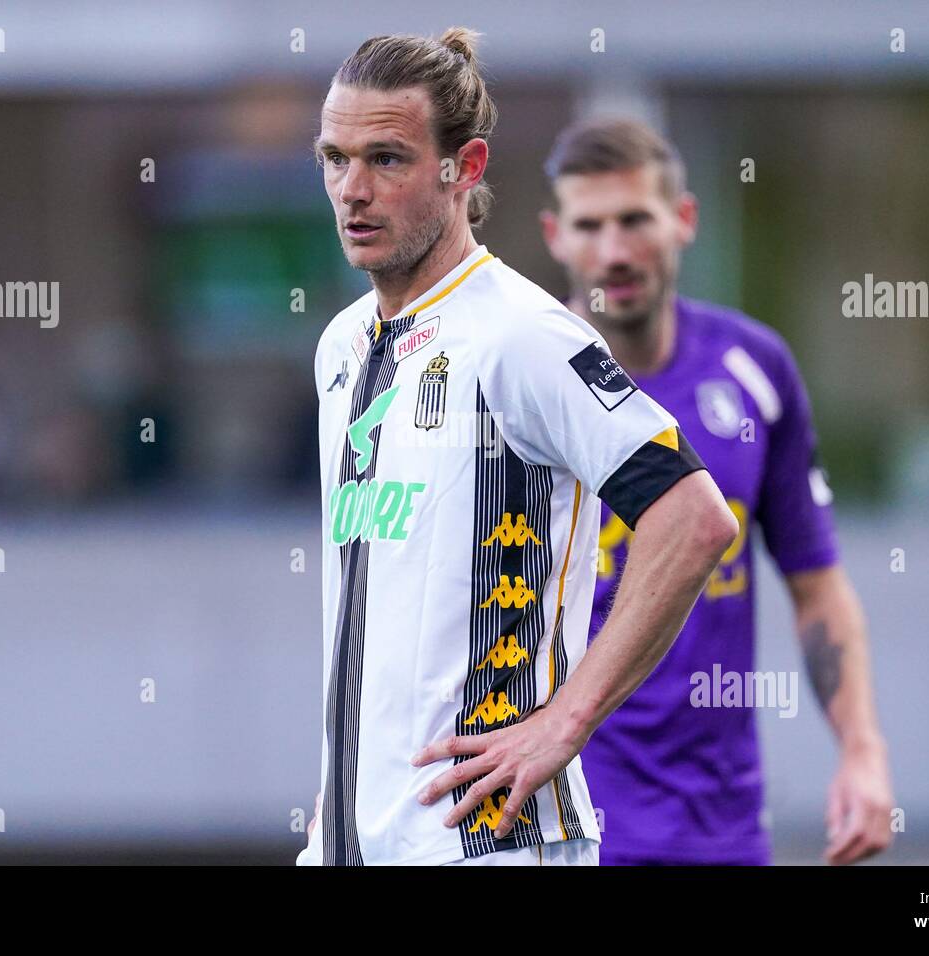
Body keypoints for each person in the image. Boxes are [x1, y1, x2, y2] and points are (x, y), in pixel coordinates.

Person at [298, 29, 738, 866]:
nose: (352, 190)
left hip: (489, 842)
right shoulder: (343, 346)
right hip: (353, 843)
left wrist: (563, 725)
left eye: (386, 159)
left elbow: (693, 518)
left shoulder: (520, 335)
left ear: (463, 167)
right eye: (334, 158)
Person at [540, 117, 894, 865]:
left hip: (722, 825)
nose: (614, 250)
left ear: (685, 221)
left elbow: (817, 586)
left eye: (635, 219)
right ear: (555, 237)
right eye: (590, 225)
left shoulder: (754, 369)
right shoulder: (522, 384)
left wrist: (862, 750)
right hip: (563, 822)